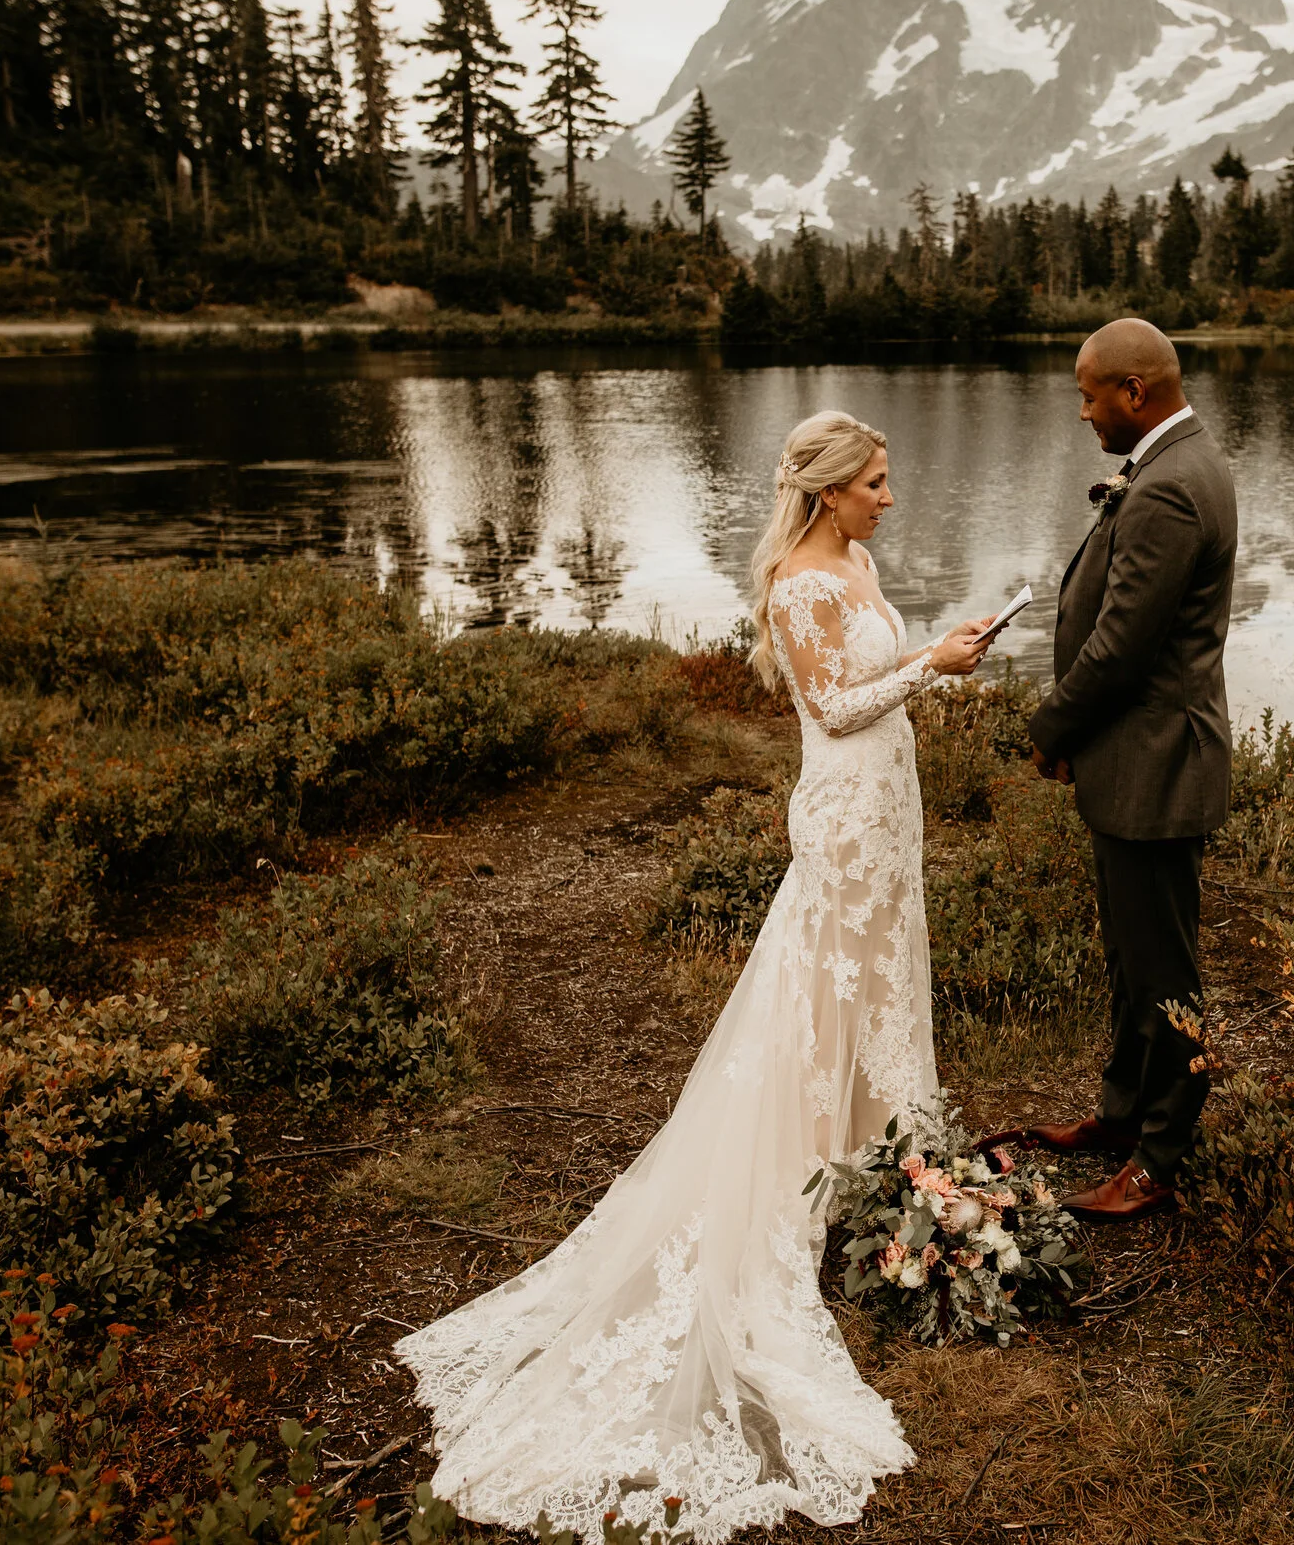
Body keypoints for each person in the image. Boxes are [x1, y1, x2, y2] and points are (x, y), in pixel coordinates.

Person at [396, 411, 995, 1540]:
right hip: (842, 811)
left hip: (892, 805)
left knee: (880, 982)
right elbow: (834, 708)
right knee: (822, 986)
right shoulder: (798, 585)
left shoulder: (859, 563)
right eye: (875, 482)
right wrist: (932, 663)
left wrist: (937, 649)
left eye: (887, 478)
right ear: (828, 492)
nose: (889, 496)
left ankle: (881, 1157)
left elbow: (876, 682)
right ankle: (810, 1169)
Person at [982, 318, 1237, 1223]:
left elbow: (1123, 646)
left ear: (1135, 391)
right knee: (1131, 958)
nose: (1083, 411)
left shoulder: (1170, 488)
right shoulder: (1172, 463)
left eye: (1090, 395)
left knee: (1164, 970)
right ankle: (1124, 1113)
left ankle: (1161, 1155)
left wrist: (1051, 726)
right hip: (1135, 759)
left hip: (1157, 764)